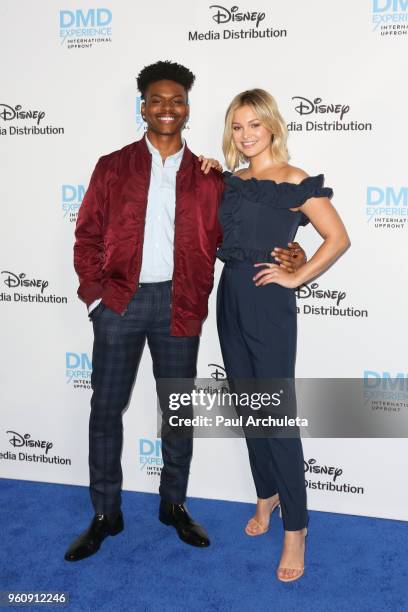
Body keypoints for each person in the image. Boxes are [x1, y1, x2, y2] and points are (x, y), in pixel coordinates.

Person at [65, 61, 306, 562]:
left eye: (177, 100)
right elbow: (87, 233)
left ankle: (173, 505)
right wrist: (96, 297)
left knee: (177, 413)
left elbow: (243, 233)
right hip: (119, 303)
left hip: (181, 304)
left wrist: (293, 251)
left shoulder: (209, 177)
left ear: (188, 108)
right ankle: (105, 513)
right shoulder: (112, 166)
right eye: (157, 100)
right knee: (106, 410)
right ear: (143, 107)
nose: (167, 108)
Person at [216, 89, 350, 582]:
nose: (246, 135)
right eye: (236, 126)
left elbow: (338, 238)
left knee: (277, 412)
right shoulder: (229, 182)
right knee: (249, 406)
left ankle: (297, 525)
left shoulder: (295, 180)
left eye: (254, 124)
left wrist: (297, 274)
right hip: (228, 297)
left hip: (269, 303)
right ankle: (266, 492)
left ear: (271, 126)